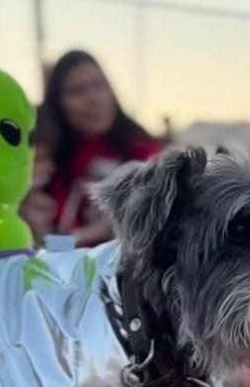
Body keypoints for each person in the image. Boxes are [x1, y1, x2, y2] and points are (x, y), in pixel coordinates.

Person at [21, 50, 163, 246]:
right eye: (77, 91)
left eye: (100, 85)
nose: (94, 98)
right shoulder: (44, 164)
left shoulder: (147, 157)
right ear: (57, 104)